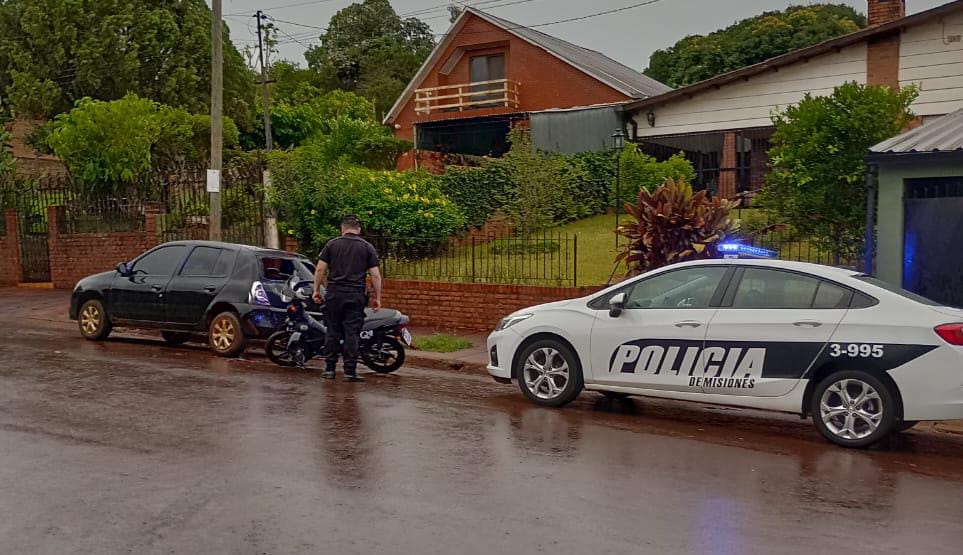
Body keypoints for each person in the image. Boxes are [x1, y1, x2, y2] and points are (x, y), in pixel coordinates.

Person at [312, 215, 382, 382]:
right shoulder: (367, 247)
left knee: (332, 331)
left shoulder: (332, 244)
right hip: (355, 295)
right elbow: (375, 275)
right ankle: (350, 371)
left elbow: (320, 269)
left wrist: (316, 290)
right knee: (352, 333)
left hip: (334, 294)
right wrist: (377, 297)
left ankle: (329, 369)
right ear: (359, 230)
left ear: (342, 229)